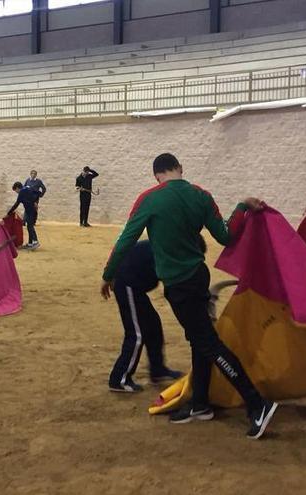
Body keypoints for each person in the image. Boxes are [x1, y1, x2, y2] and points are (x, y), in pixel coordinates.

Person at [101, 152, 278, 440]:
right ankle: (200, 405)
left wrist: (108, 274)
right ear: (180, 169)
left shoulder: (150, 198)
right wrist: (242, 206)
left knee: (208, 343)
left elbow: (126, 239)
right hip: (198, 275)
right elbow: (226, 236)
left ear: (156, 175)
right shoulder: (201, 196)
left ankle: (257, 403)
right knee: (200, 341)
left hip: (179, 284)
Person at [108, 240, 184, 393]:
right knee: (136, 334)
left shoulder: (169, 246)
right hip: (126, 284)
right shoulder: (169, 252)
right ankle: (119, 379)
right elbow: (172, 284)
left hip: (135, 286)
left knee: (153, 325)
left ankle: (157, 369)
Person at [7, 181, 41, 249]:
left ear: (17, 188)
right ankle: (30, 243)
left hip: (30, 211)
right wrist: (35, 202)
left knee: (30, 226)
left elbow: (17, 204)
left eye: (16, 191)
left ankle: (36, 241)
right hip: (31, 210)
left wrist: (9, 213)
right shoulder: (28, 188)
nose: (16, 192)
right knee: (29, 226)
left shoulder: (22, 191)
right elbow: (38, 193)